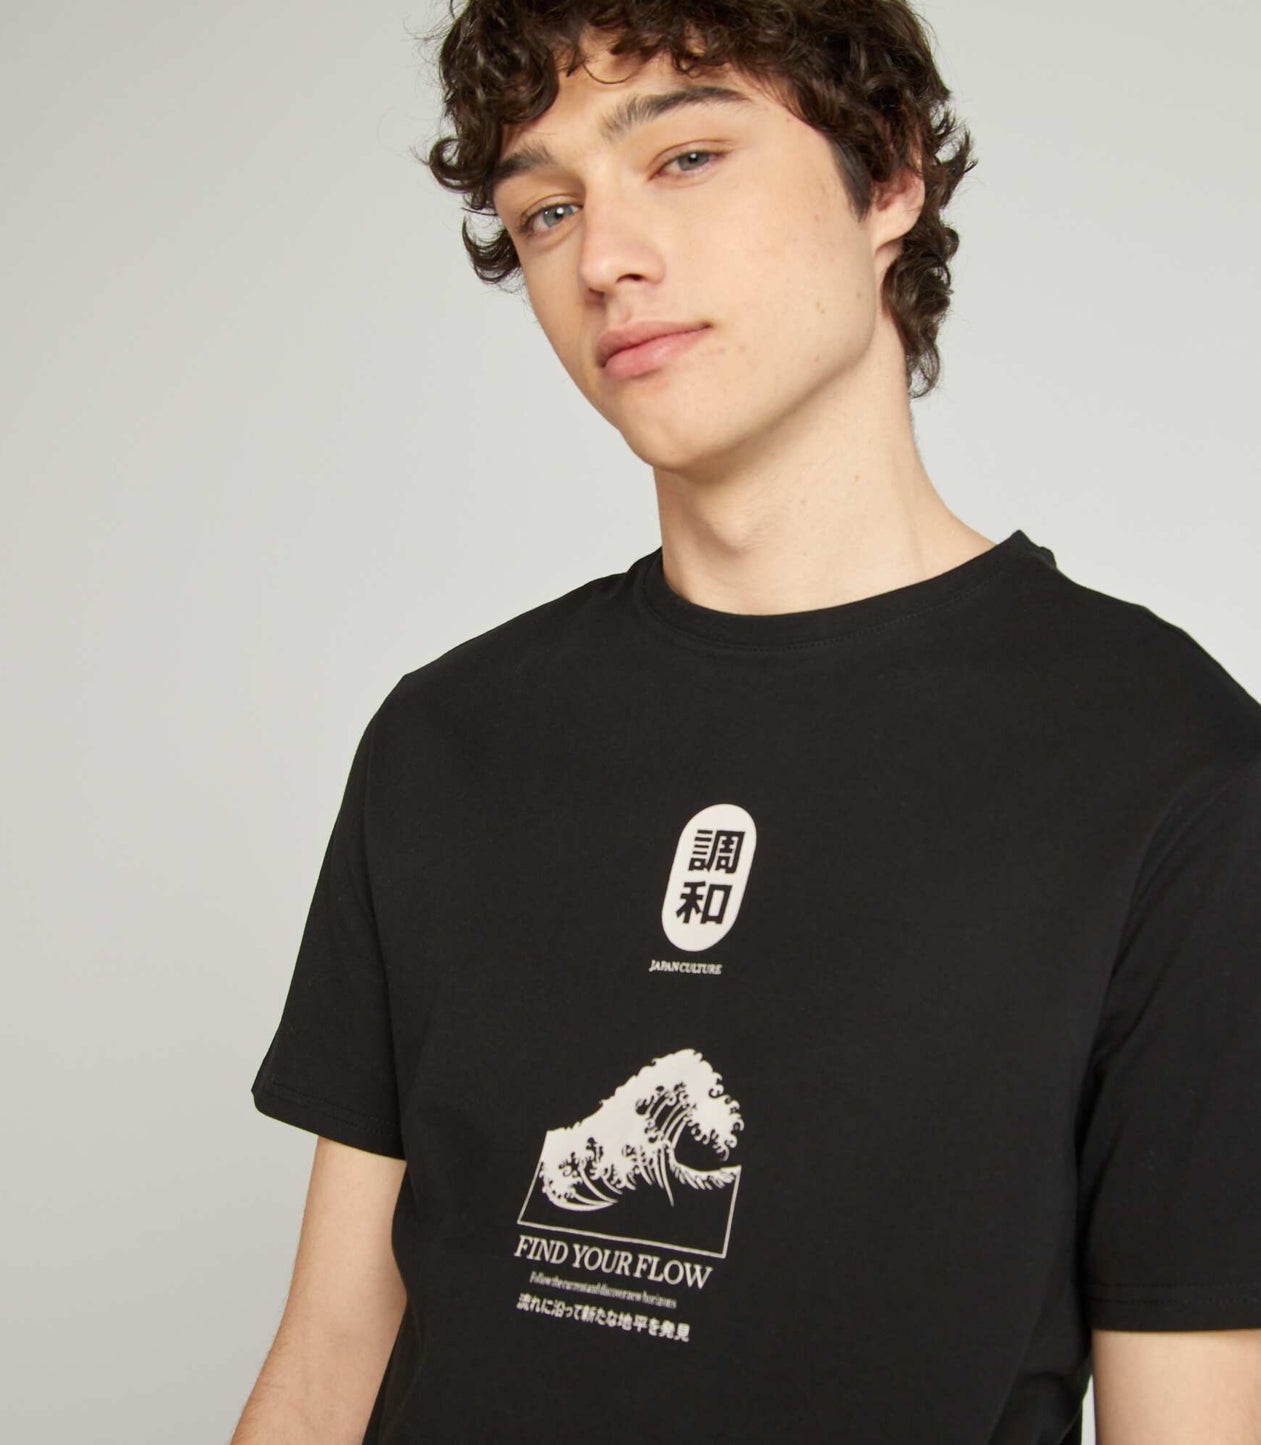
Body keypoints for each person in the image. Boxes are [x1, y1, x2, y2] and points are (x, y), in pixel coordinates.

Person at [232, 3, 1261, 1441]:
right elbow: (327, 1360)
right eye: (545, 209)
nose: (604, 258)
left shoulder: (1169, 769)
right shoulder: (445, 740)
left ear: (886, 174)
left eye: (687, 156)